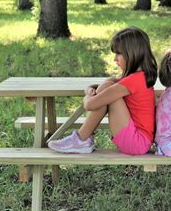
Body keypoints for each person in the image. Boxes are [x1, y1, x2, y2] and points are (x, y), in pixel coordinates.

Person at [48, 27, 158, 155]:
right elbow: (110, 83)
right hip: (139, 141)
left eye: (118, 53)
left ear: (132, 53)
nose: (115, 59)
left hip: (136, 142)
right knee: (108, 86)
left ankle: (81, 138)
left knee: (108, 91)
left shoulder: (133, 80)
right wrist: (91, 89)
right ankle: (83, 139)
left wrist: (87, 96)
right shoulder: (139, 77)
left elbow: (89, 105)